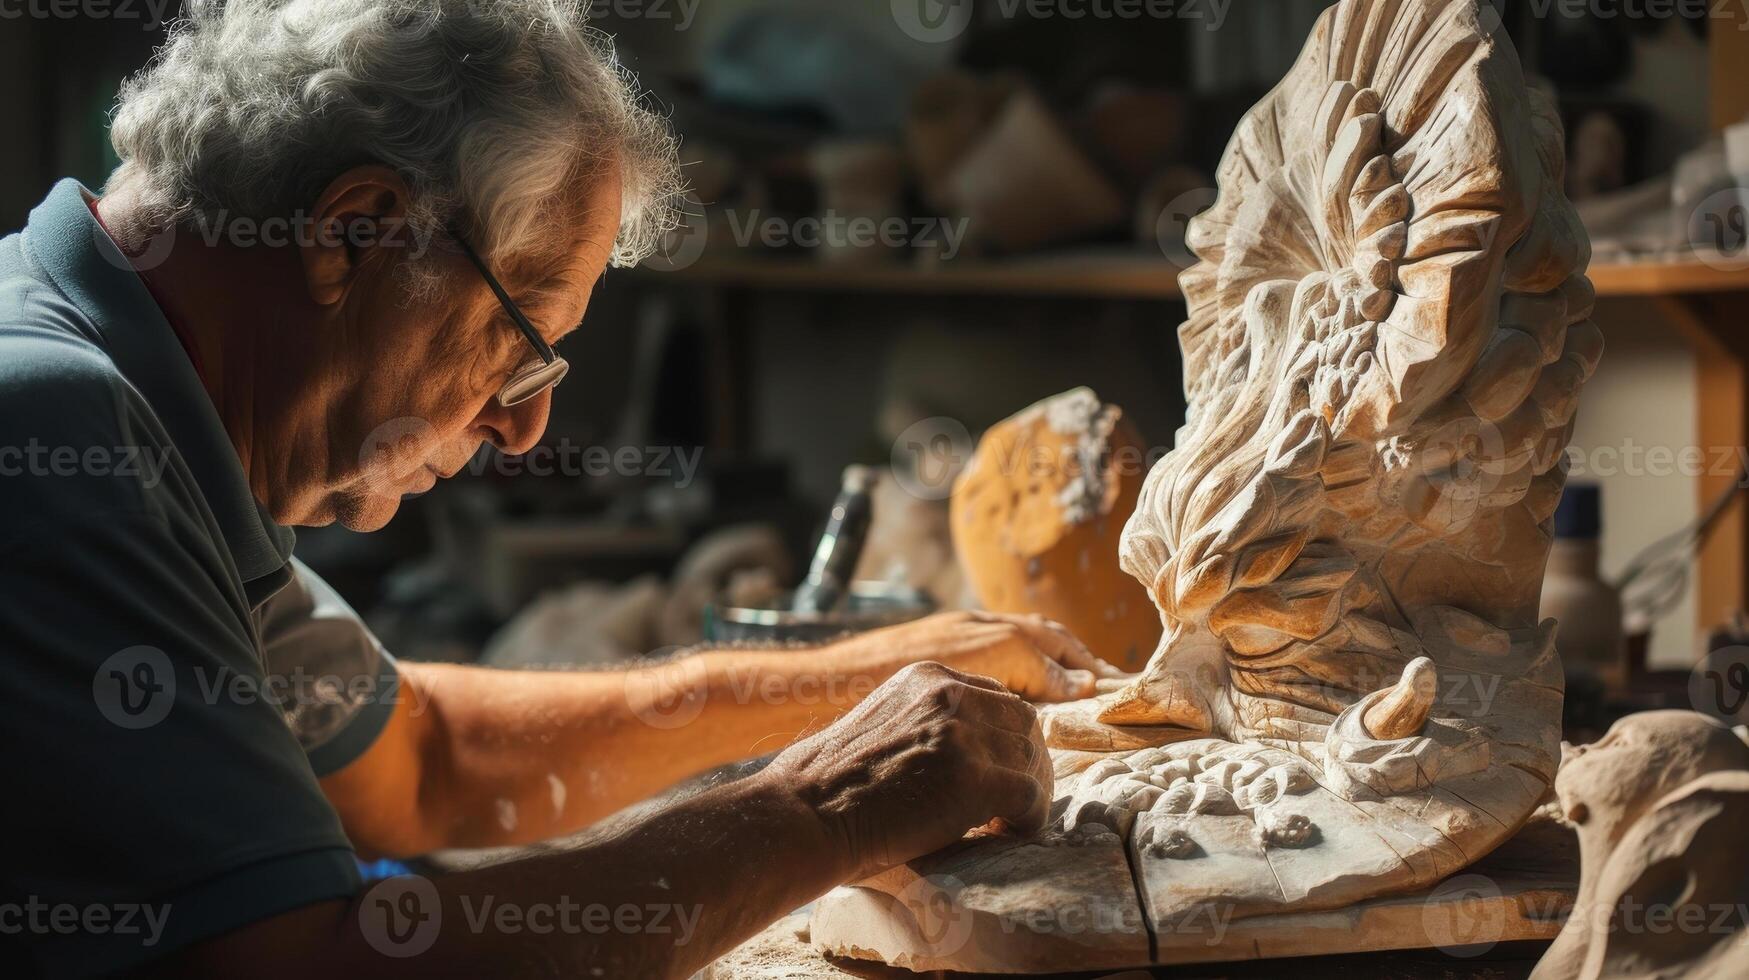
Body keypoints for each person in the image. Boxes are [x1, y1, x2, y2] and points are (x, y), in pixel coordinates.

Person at [0, 2, 1125, 976]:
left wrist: (874, 673)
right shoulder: (57, 426)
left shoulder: (171, 434)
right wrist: (822, 809)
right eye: (520, 334)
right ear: (354, 233)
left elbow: (421, 762)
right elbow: (304, 965)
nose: (525, 421)